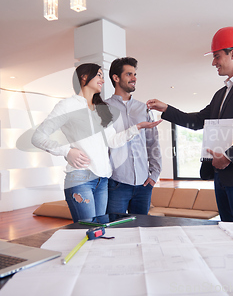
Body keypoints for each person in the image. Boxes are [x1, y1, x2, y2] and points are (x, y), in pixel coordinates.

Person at [147, 27, 233, 224]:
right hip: (221, 177)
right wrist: (166, 109)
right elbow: (196, 122)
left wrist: (229, 157)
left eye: (216, 56)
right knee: (229, 235)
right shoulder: (221, 95)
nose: (213, 62)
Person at [32, 63, 162, 222]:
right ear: (84, 77)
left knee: (101, 232)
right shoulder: (67, 105)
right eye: (99, 75)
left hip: (103, 181)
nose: (103, 80)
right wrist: (67, 151)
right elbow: (38, 137)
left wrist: (138, 127)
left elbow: (113, 141)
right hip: (81, 178)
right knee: (87, 230)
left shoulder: (102, 109)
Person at [105, 57, 162, 215]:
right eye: (129, 74)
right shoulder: (104, 108)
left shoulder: (143, 109)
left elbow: (153, 143)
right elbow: (104, 145)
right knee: (116, 231)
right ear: (116, 78)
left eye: (135, 74)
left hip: (144, 184)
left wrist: (154, 174)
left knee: (142, 230)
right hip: (116, 183)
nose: (134, 78)